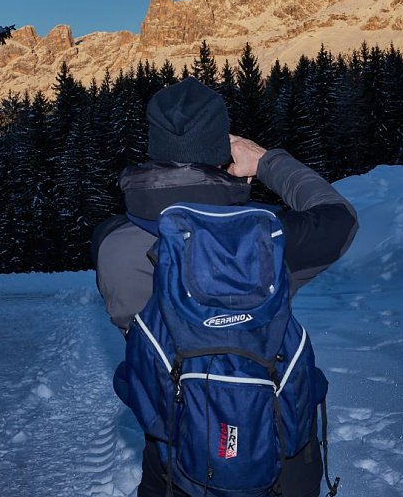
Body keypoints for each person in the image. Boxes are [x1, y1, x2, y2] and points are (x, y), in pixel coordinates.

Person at [92, 78, 359, 497]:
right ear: (223, 149)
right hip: (279, 449)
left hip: (176, 451)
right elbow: (340, 218)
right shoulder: (268, 237)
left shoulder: (111, 243)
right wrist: (266, 162)